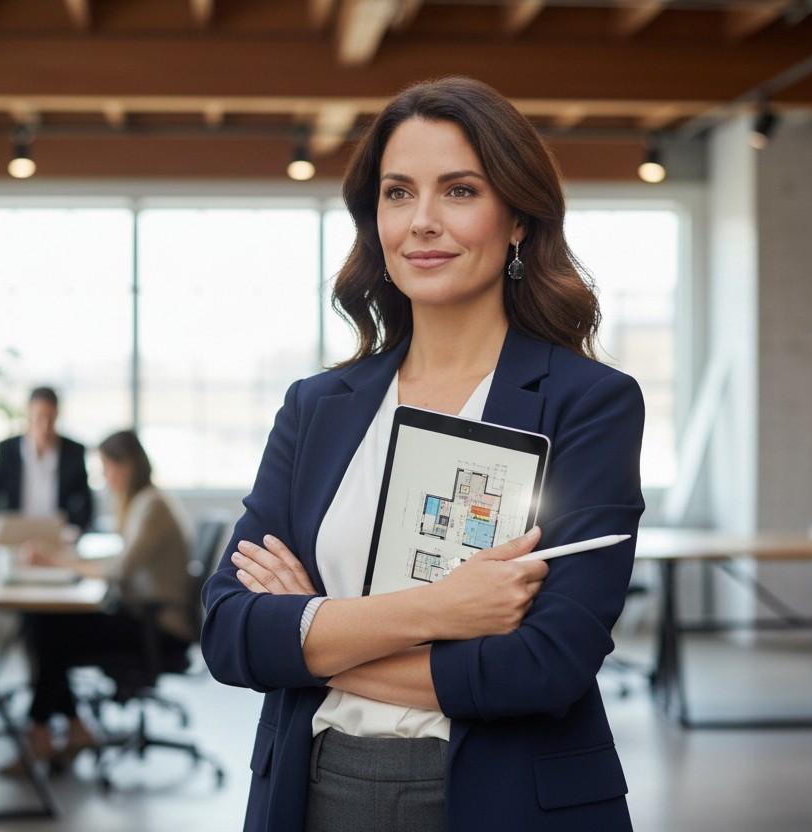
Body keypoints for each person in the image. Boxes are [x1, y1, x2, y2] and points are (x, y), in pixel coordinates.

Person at [201, 77, 645, 832]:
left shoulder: (588, 403)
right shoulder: (317, 408)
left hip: (506, 802)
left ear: (516, 221)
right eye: (398, 193)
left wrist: (312, 636)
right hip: (313, 795)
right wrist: (440, 611)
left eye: (460, 191)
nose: (423, 223)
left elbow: (545, 668)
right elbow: (231, 631)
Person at [3, 429, 195, 773]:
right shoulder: (145, 502)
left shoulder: (150, 505)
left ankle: (46, 733)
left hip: (159, 629)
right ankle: (64, 730)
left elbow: (121, 570)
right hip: (143, 616)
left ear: (127, 467)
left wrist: (57, 560)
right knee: (46, 624)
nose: (104, 478)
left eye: (107, 468)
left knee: (48, 629)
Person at [0, 386, 95, 534]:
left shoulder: (74, 452)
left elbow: (86, 504)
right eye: (40, 417)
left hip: (57, 535)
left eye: (50, 419)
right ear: (29, 414)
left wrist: (76, 531)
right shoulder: (8, 450)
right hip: (17, 533)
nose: (45, 426)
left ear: (57, 415)